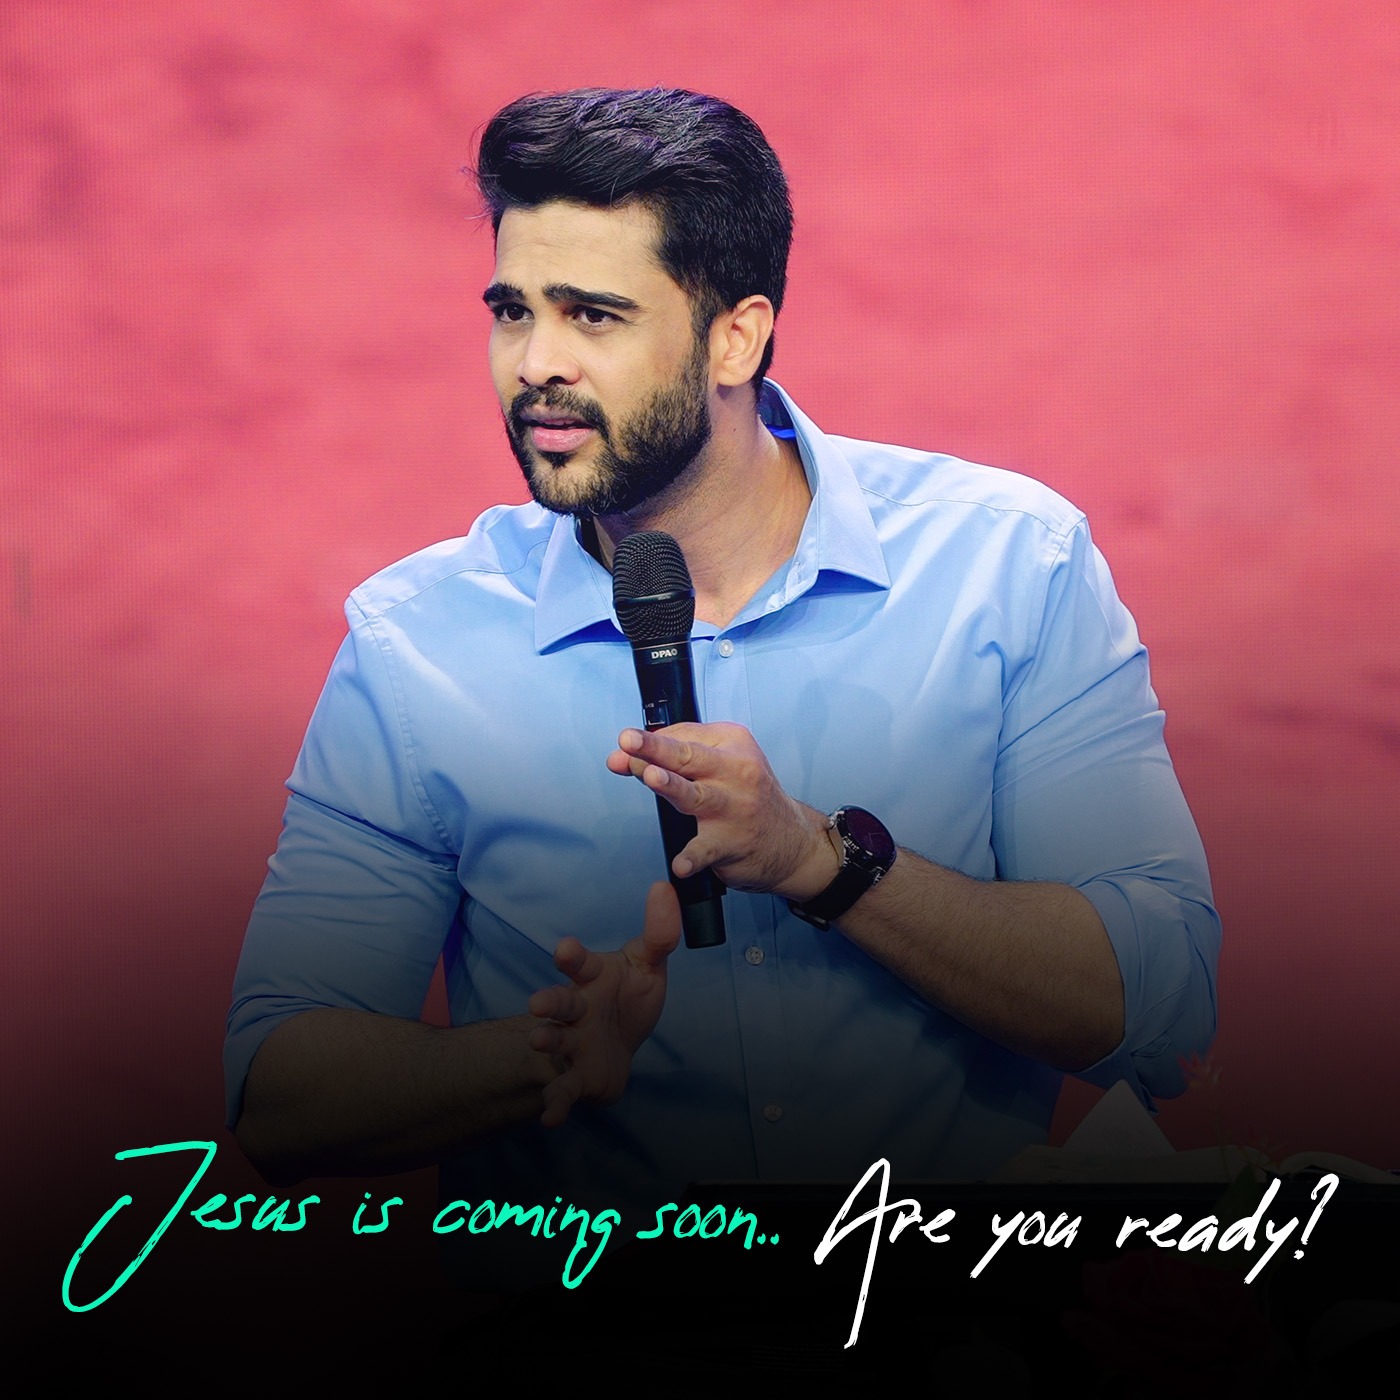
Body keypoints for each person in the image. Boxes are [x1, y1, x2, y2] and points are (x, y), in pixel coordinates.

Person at [226, 87, 1218, 1285]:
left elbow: (1154, 1003)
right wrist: (532, 1059)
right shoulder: (416, 642)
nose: (534, 365)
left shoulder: (1007, 566)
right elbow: (278, 1092)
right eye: (512, 310)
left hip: (942, 1330)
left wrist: (823, 861)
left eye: (593, 315)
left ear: (736, 338)